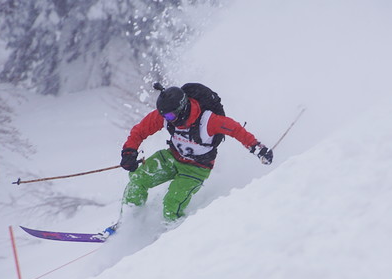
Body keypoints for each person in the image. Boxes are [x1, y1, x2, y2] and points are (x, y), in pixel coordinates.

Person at [113, 82, 273, 228]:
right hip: (172, 157)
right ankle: (127, 223)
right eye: (164, 116)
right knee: (137, 180)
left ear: (181, 109)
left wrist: (258, 149)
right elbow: (141, 129)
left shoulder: (209, 120)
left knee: (172, 202)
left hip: (196, 169)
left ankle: (172, 231)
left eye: (169, 116)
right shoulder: (167, 116)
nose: (166, 120)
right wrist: (129, 151)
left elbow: (236, 130)